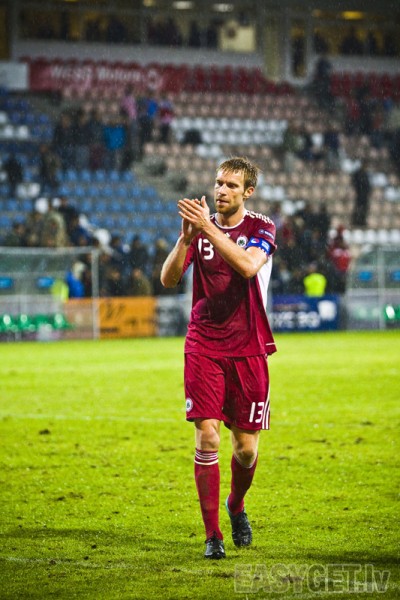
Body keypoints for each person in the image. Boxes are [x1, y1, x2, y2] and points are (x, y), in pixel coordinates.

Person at [160, 157, 277, 559]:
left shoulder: (261, 228)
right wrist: (184, 240)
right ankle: (213, 536)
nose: (221, 190)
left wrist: (207, 228)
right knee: (207, 435)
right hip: (204, 343)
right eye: (218, 183)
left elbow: (247, 266)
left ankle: (236, 504)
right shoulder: (200, 230)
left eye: (231, 185)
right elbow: (168, 279)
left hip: (249, 347)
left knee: (245, 450)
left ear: (248, 192)